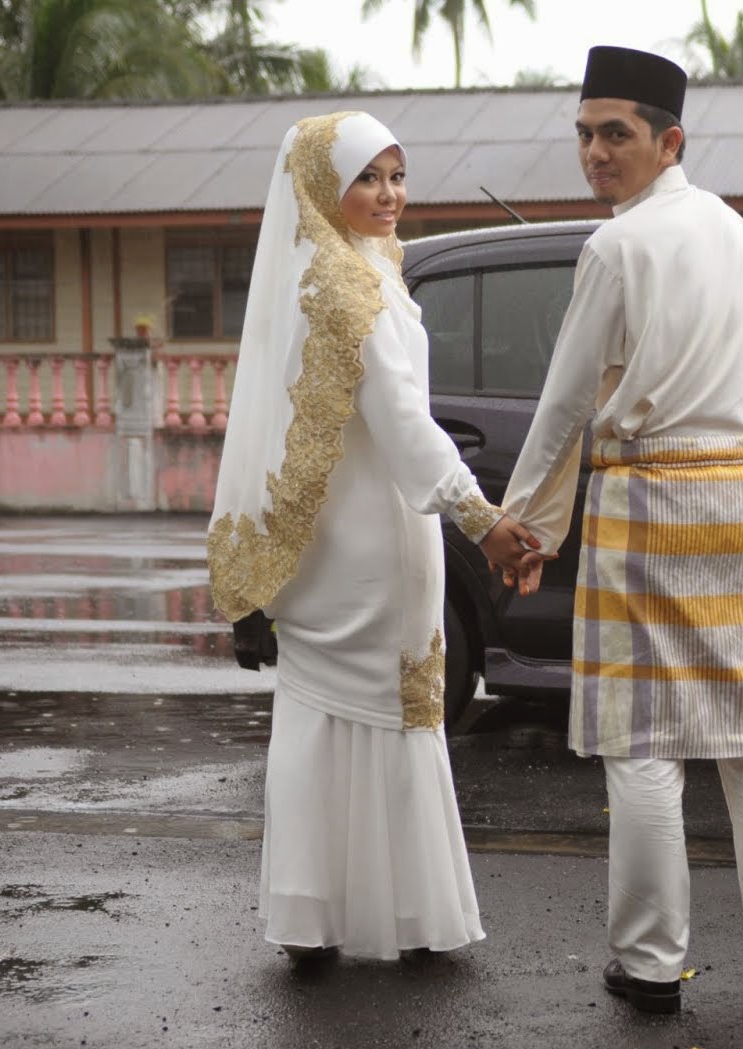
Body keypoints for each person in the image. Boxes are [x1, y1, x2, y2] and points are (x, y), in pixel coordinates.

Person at [498, 47, 743, 1014]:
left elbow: (566, 407)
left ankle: (649, 968)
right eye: (585, 133)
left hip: (646, 500)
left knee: (644, 745)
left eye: (616, 134)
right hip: (739, 502)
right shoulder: (737, 232)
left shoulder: (617, 248)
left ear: (668, 140)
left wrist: (525, 527)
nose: (595, 153)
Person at [206, 111, 539, 964]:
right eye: (367, 178)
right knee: (396, 717)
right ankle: (410, 918)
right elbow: (405, 425)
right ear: (325, 188)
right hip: (379, 541)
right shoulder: (351, 286)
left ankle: (311, 922)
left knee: (317, 723)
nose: (388, 195)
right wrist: (485, 520)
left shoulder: (329, 270)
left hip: (322, 542)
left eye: (397, 174)